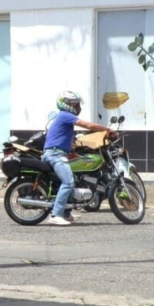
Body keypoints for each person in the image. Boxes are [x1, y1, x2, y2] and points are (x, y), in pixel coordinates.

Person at [43, 91, 114, 226]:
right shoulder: (65, 116)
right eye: (74, 104)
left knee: (73, 180)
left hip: (58, 153)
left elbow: (65, 138)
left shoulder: (65, 119)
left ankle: (66, 213)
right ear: (66, 104)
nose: (77, 107)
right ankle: (55, 215)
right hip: (55, 155)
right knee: (68, 182)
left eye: (77, 104)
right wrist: (107, 130)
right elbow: (88, 125)